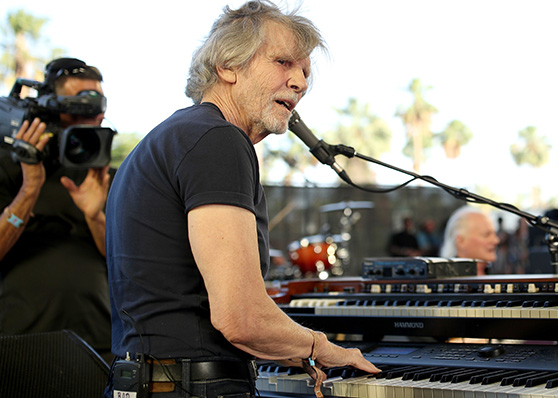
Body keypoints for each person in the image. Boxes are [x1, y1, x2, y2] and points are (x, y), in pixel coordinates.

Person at [104, 2, 378, 397]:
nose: (300, 81)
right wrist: (322, 347)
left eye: (305, 71)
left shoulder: (172, 136)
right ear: (228, 67)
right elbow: (241, 317)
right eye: (283, 62)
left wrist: (298, 352)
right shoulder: (217, 139)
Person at [0, 57, 112, 362]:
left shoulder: (101, 173)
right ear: (53, 106)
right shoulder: (10, 165)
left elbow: (124, 262)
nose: (95, 113)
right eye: (82, 103)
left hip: (98, 342)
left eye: (98, 104)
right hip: (23, 343)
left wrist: (94, 216)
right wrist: (29, 187)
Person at [440, 206, 500, 275]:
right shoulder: (446, 283)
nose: (496, 240)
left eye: (495, 234)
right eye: (486, 235)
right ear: (460, 241)